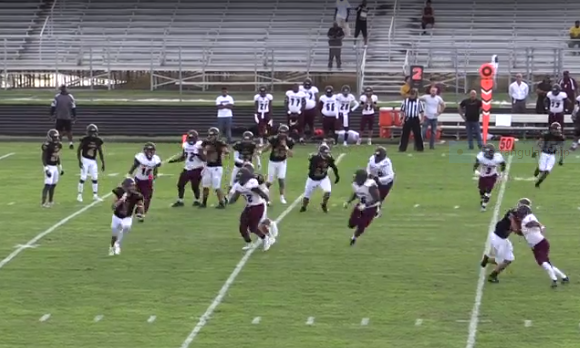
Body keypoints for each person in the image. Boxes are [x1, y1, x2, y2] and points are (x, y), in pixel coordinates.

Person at [127, 142, 162, 221]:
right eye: (148, 150)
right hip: (138, 180)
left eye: (151, 150)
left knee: (147, 198)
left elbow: (155, 167)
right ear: (145, 151)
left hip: (148, 180)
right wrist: (129, 173)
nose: (150, 152)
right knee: (135, 197)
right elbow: (135, 165)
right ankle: (134, 210)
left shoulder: (155, 159)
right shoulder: (140, 157)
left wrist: (155, 174)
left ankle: (141, 213)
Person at [109, 178, 144, 256]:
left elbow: (140, 205)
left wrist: (140, 214)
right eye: (131, 186)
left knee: (126, 227)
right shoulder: (118, 192)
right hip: (117, 216)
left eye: (133, 186)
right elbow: (113, 207)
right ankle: (111, 247)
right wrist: (121, 199)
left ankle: (117, 244)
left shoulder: (136, 195)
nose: (133, 188)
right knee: (114, 235)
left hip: (127, 217)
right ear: (125, 187)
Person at [169, 129, 204, 207]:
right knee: (180, 184)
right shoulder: (185, 145)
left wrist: (197, 154)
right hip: (187, 168)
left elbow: (204, 159)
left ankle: (197, 200)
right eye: (189, 138)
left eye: (193, 138)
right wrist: (174, 161)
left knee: (195, 186)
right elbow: (184, 156)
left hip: (197, 168)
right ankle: (180, 201)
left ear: (196, 138)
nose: (191, 140)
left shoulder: (200, 145)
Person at [77, 124, 105, 202]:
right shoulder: (85, 140)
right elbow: (79, 150)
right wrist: (79, 161)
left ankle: (95, 195)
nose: (93, 134)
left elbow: (100, 152)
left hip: (93, 161)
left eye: (94, 132)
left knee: (95, 178)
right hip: (85, 159)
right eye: (91, 132)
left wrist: (103, 162)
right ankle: (79, 195)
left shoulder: (98, 140)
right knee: (83, 177)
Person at [41, 129, 64, 208]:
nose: (56, 139)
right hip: (49, 166)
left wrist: (60, 166)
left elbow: (57, 155)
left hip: (55, 167)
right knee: (47, 185)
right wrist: (46, 169)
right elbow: (43, 158)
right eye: (54, 137)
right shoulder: (47, 145)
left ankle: (50, 201)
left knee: (53, 185)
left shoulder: (59, 145)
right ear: (50, 137)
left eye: (57, 137)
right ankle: (43, 203)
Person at [50, 84, 77, 149]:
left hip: (64, 116)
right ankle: (63, 143)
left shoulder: (68, 97)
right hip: (63, 116)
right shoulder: (59, 97)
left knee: (66, 131)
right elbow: (53, 106)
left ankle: (68, 143)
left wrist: (74, 116)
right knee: (63, 131)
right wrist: (51, 114)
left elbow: (73, 107)